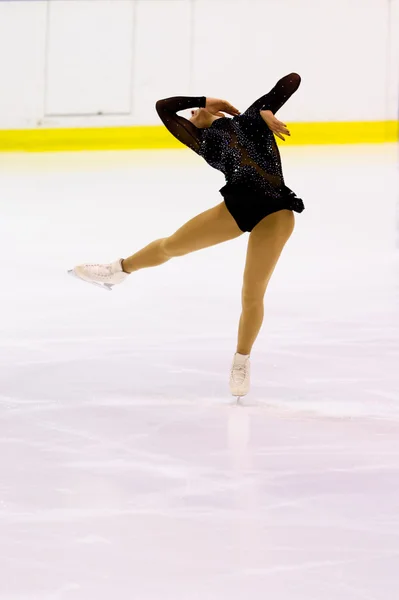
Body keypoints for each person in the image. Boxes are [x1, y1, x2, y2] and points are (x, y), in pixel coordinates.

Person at [69, 73, 304, 398]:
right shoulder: (202, 142)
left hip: (275, 213)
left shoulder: (250, 118)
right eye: (192, 114)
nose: (191, 116)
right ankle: (118, 270)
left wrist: (264, 112)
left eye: (194, 112)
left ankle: (241, 359)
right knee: (171, 246)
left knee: (252, 293)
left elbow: (291, 81)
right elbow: (164, 108)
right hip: (236, 207)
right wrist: (203, 102)